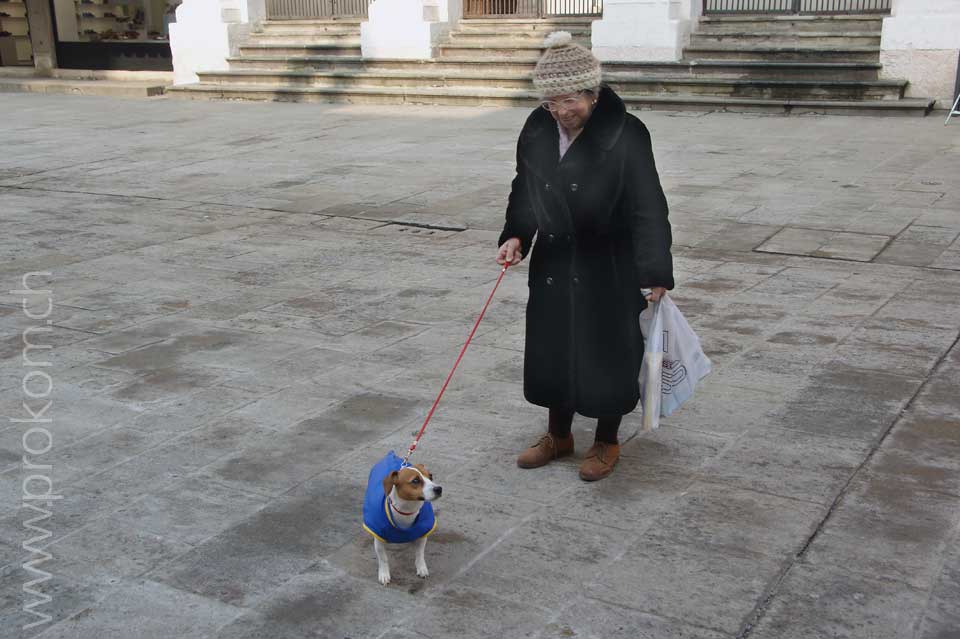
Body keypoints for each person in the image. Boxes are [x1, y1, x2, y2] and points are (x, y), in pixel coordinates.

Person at [496, 31, 674, 482]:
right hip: (555, 262)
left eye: (570, 99)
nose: (561, 110)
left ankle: (606, 440)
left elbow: (648, 204)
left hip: (609, 263)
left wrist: (655, 270)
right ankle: (558, 436)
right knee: (555, 345)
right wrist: (517, 234)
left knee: (607, 351)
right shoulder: (537, 127)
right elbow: (525, 187)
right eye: (551, 101)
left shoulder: (626, 133)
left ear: (592, 93)